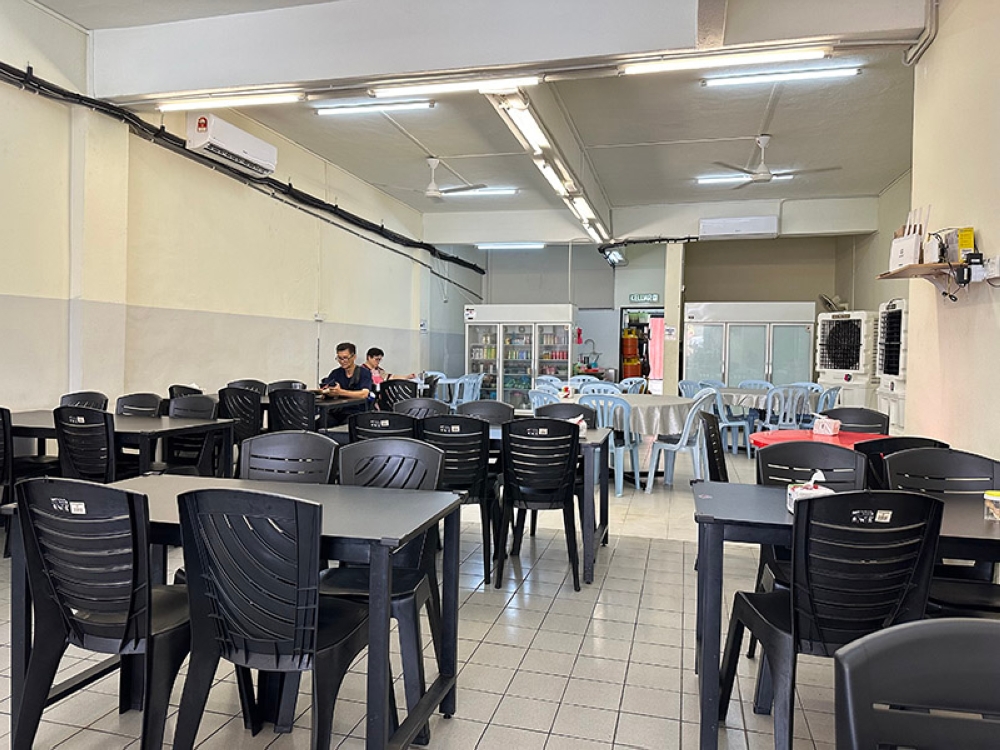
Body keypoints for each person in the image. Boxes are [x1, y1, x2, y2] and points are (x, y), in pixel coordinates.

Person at [319, 342, 373, 422]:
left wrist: (340, 392)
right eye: (339, 358)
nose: (342, 361)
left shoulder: (364, 373)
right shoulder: (335, 373)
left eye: (345, 358)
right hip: (337, 412)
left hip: (356, 413)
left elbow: (364, 394)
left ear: (354, 357)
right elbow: (326, 388)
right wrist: (326, 392)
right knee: (317, 424)